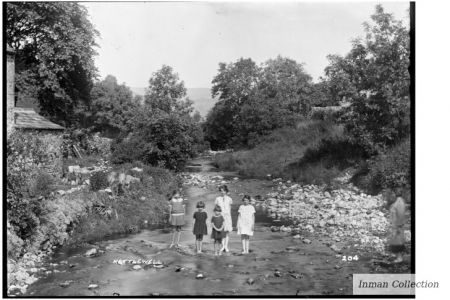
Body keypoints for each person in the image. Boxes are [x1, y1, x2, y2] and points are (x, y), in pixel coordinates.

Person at [387, 188, 406, 263]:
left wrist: (398, 227)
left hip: (397, 225)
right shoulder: (398, 202)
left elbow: (400, 215)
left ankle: (399, 258)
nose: (392, 195)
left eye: (393, 193)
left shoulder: (399, 202)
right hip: (396, 225)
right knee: (395, 241)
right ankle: (397, 256)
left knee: (398, 242)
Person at [215, 185, 232, 252]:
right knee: (222, 232)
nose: (222, 192)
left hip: (227, 217)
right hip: (220, 217)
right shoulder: (217, 199)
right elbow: (216, 209)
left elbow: (230, 209)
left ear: (226, 191)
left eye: (224, 191)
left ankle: (226, 246)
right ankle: (222, 246)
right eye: (221, 191)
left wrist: (229, 217)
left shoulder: (229, 199)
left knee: (227, 232)